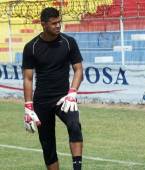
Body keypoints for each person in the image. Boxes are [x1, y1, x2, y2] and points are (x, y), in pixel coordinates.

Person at [22, 7, 83, 170]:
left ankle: (78, 168)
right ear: (43, 24)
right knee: (48, 146)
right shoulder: (31, 47)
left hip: (65, 98)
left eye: (59, 22)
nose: (58, 25)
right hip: (41, 101)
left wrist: (72, 92)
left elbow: (79, 70)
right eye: (54, 23)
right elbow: (28, 79)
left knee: (74, 125)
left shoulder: (69, 42)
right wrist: (28, 106)